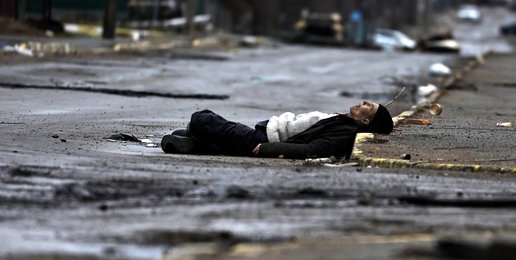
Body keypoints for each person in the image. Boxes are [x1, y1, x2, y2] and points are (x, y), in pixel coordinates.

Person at [160, 101, 394, 160]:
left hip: (261, 138)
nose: (363, 102)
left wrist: (268, 149)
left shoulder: (345, 132)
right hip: (263, 132)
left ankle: (196, 135)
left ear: (365, 121)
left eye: (368, 106)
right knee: (210, 132)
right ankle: (196, 143)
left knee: (202, 119)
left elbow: (311, 149)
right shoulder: (344, 122)